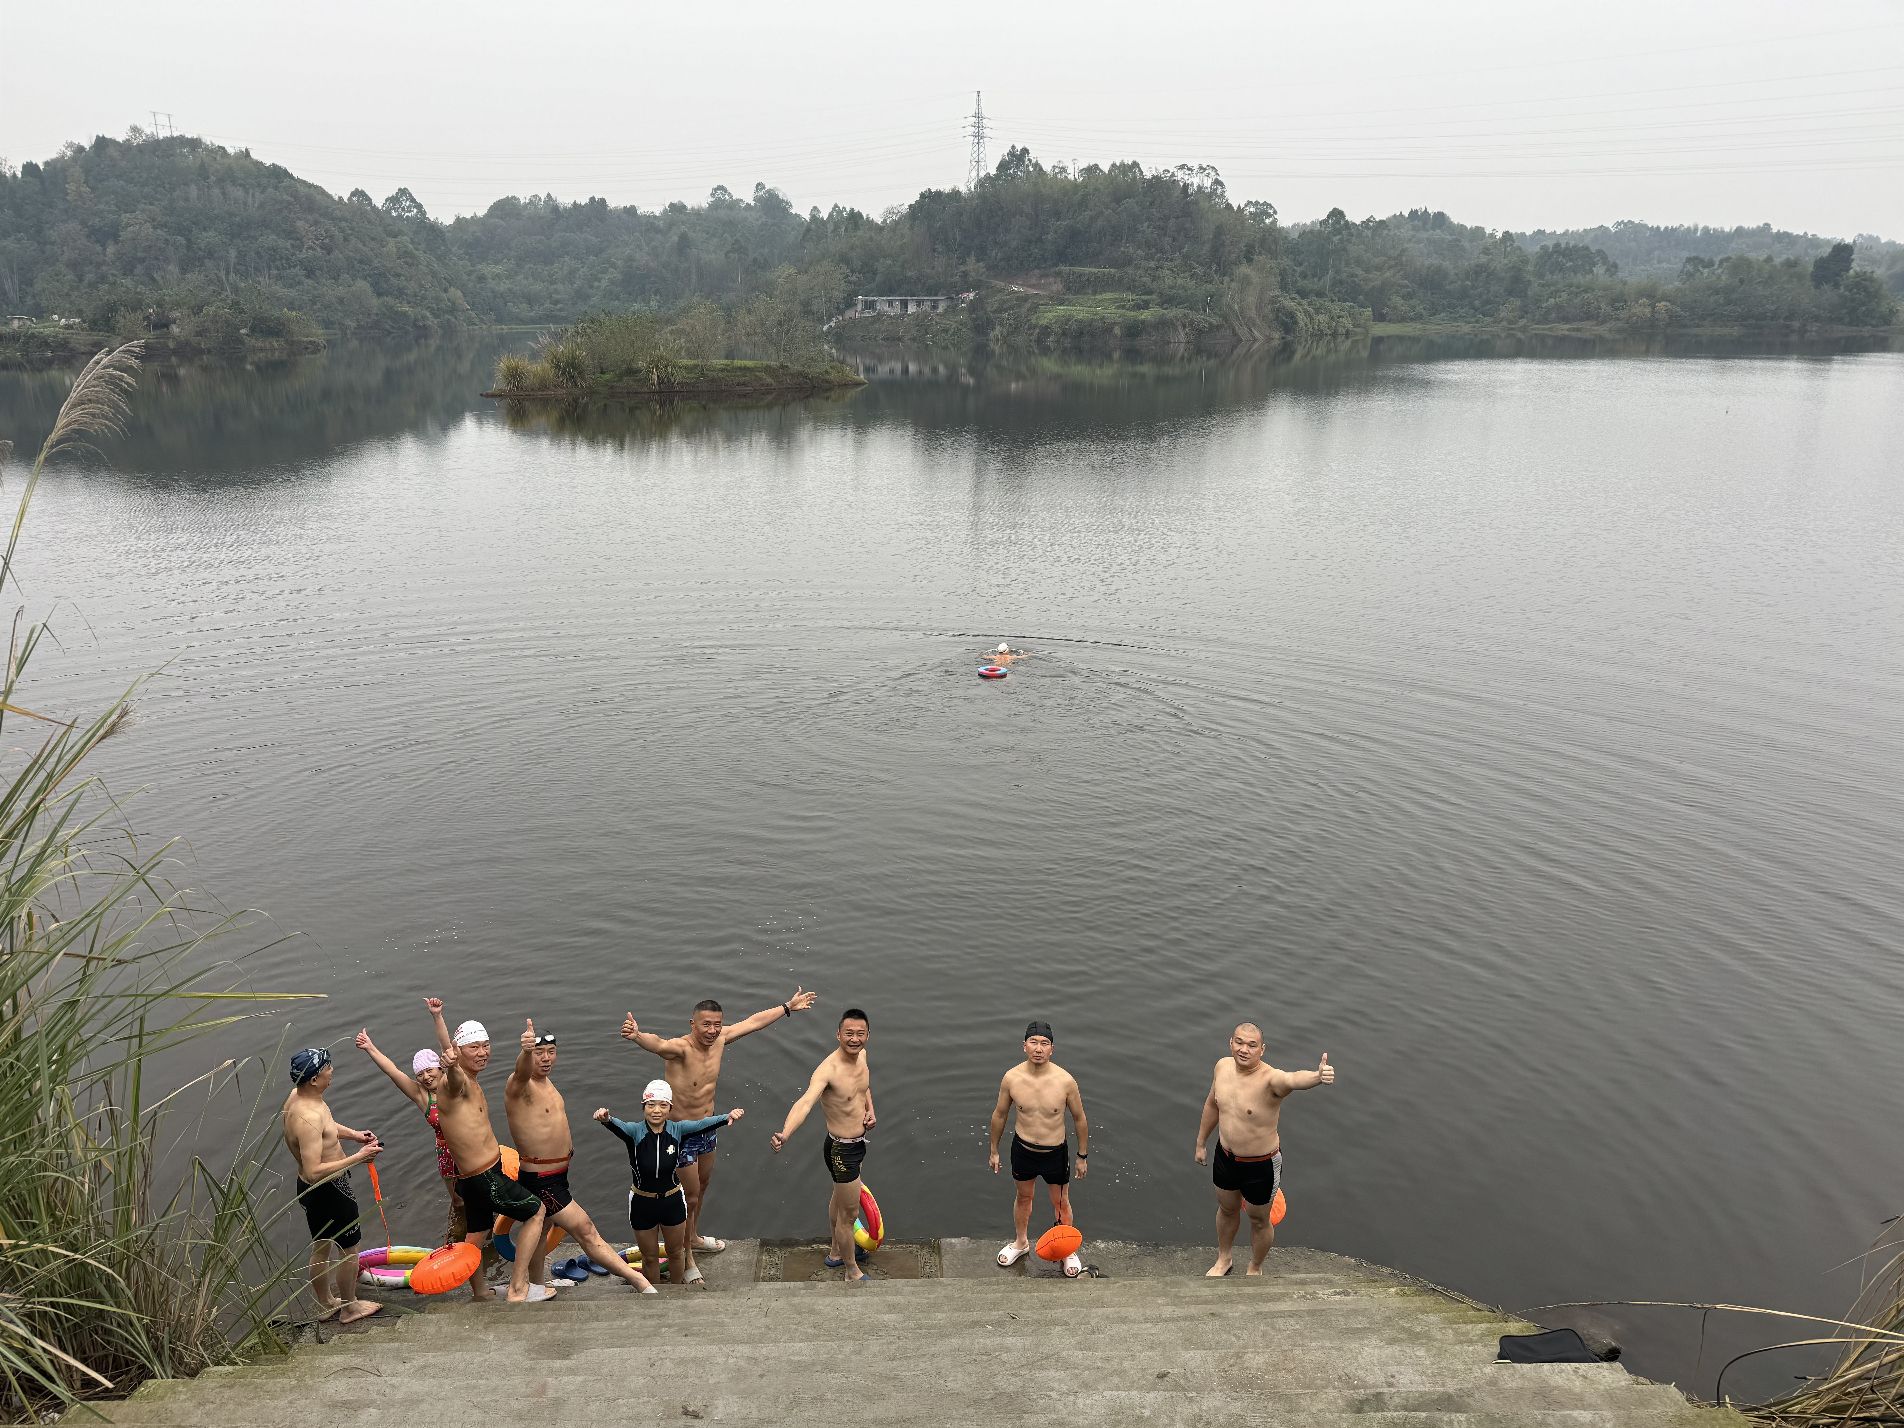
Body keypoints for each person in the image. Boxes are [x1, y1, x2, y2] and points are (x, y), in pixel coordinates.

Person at [620, 985, 818, 1285]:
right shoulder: (681, 1048)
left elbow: (753, 1022)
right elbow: (658, 1044)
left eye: (717, 1024)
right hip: (680, 1134)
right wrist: (637, 1036)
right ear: (693, 1024)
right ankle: (686, 1256)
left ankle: (693, 1237)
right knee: (689, 1196)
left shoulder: (721, 1038)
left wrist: (787, 1007)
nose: (712, 1031)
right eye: (706, 1025)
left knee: (702, 1186)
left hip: (708, 1128)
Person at [503, 1018, 656, 1295]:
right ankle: (640, 1282)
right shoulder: (519, 1085)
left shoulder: (547, 1082)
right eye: (539, 1053)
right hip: (542, 1179)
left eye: (551, 1052)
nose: (546, 1058)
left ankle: (536, 1285)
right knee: (586, 1230)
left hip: (556, 1175)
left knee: (540, 1232)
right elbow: (520, 1072)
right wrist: (525, 1051)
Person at [421, 995, 550, 1303]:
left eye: (486, 1045)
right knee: (537, 1212)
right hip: (484, 1177)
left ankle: (480, 1292)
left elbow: (453, 1056)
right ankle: (518, 1287)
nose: (482, 1053)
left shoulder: (471, 1079)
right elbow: (451, 1064)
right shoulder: (454, 1083)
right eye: (474, 1048)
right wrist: (439, 1022)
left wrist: (526, 1049)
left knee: (476, 1235)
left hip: (470, 1178)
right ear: (459, 1051)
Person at [1193, 1023, 1335, 1277]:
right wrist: (1201, 1143)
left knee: (1259, 1220)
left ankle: (1255, 1267)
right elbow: (1213, 1104)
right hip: (1226, 1157)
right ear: (1230, 1043)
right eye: (1239, 1042)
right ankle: (1224, 1259)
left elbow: (1292, 1079)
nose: (1244, 1049)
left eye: (1252, 1045)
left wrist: (1316, 1076)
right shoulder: (1222, 1066)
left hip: (1261, 1164)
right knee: (1226, 1209)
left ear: (1262, 1049)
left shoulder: (1270, 1080)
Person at [595, 1079, 743, 1291]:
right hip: (642, 1203)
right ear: (643, 1107)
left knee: (676, 1253)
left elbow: (703, 1124)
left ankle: (676, 1293)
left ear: (670, 1108)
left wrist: (727, 1117)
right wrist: (605, 1118)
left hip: (672, 1201)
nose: (656, 1110)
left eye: (663, 1105)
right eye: (651, 1105)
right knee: (649, 1257)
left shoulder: (678, 1130)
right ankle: (655, 1297)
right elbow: (615, 1124)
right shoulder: (634, 1132)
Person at [770, 1007, 876, 1285]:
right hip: (842, 1150)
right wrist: (786, 1133)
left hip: (855, 1144)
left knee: (839, 1200)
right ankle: (851, 1271)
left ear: (868, 1035)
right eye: (849, 1033)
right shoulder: (828, 1070)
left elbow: (863, 1088)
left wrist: (870, 1110)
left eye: (860, 1034)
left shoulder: (862, 1056)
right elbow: (805, 1102)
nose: (855, 1039)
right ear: (838, 1034)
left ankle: (835, 1251)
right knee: (849, 1215)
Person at [279, 1046, 383, 1324]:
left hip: (309, 1190)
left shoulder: (298, 1097)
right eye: (327, 1068)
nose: (332, 1071)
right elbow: (314, 1170)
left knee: (322, 1245)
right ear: (314, 1079)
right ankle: (350, 1307)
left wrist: (355, 1135)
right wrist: (359, 1158)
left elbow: (327, 1128)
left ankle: (325, 1303)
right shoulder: (309, 1117)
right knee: (349, 1250)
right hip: (329, 1190)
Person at [987, 1020, 1089, 1277]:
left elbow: (1079, 1118)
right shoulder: (1012, 1078)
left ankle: (1067, 1250)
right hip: (1023, 1150)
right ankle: (1021, 1242)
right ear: (1024, 1046)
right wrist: (994, 1150)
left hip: (1055, 1153)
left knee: (1061, 1202)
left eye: (1044, 1043)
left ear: (1052, 1048)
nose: (1039, 1048)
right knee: (1023, 1197)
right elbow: (1000, 1114)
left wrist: (1082, 1156)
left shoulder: (1065, 1081)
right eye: (1033, 1042)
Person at [354, 1028, 465, 1247]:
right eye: (420, 1074)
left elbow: (452, 1056)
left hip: (468, 1147)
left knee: (479, 1194)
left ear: (440, 1068)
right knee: (458, 1201)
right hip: (445, 1152)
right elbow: (393, 1071)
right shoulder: (421, 1095)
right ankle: (459, 1237)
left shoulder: (456, 1084)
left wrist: (437, 1017)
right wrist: (370, 1047)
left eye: (429, 1070)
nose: (426, 1077)